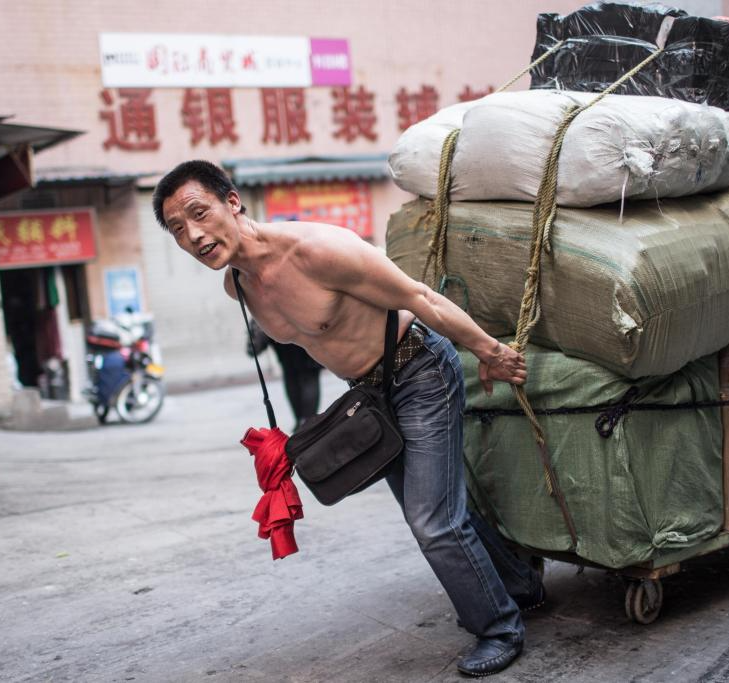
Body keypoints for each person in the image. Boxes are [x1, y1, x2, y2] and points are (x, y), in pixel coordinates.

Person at [153, 161, 544, 677]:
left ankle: (499, 627)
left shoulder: (316, 249)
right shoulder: (238, 287)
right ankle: (520, 584)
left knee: (431, 521)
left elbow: (419, 297)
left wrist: (490, 352)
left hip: (420, 370)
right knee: (436, 510)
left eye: (199, 214)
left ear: (232, 201)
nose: (194, 235)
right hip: (369, 398)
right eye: (177, 229)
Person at [246, 319, 322, 427]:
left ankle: (302, 422)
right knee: (307, 372)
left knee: (292, 370)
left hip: (276, 321)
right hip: (301, 322)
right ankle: (307, 422)